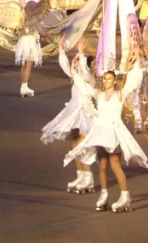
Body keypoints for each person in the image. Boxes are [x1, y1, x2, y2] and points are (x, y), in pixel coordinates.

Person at [64, 48, 148, 213]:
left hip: (114, 133)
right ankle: (104, 195)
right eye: (104, 78)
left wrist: (138, 63)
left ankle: (125, 196)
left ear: (114, 81)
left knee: (115, 164)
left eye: (109, 79)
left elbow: (133, 81)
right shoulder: (98, 94)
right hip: (100, 133)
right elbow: (84, 86)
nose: (106, 81)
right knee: (102, 165)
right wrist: (76, 69)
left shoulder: (120, 94)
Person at [42, 40, 96, 194]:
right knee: (74, 144)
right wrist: (61, 51)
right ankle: (80, 175)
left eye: (79, 62)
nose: (76, 64)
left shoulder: (88, 78)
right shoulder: (75, 75)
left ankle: (88, 176)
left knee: (81, 146)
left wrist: (80, 52)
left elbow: (85, 70)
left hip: (85, 114)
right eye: (76, 61)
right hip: (74, 113)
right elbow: (65, 66)